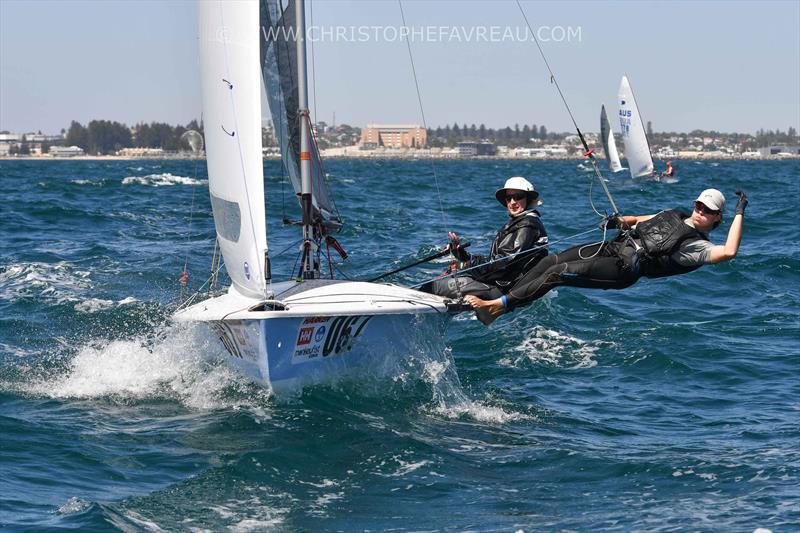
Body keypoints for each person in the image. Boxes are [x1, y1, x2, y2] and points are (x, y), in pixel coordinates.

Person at [465, 188, 748, 325]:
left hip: (623, 268)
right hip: (613, 247)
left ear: (716, 218)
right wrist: (619, 221)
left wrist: (739, 213)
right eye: (699, 204)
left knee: (557, 274)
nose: (701, 211)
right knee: (549, 260)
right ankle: (503, 295)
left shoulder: (696, 246)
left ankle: (497, 307)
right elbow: (638, 220)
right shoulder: (675, 214)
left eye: (708, 210)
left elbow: (729, 252)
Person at [419, 176, 549, 301]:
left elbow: (503, 264)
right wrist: (463, 255)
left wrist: (468, 265)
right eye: (509, 198)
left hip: (504, 290)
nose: (512, 202)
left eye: (518, 197)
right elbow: (496, 262)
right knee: (442, 280)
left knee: (431, 287)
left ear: (528, 199)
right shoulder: (521, 222)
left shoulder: (527, 226)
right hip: (500, 285)